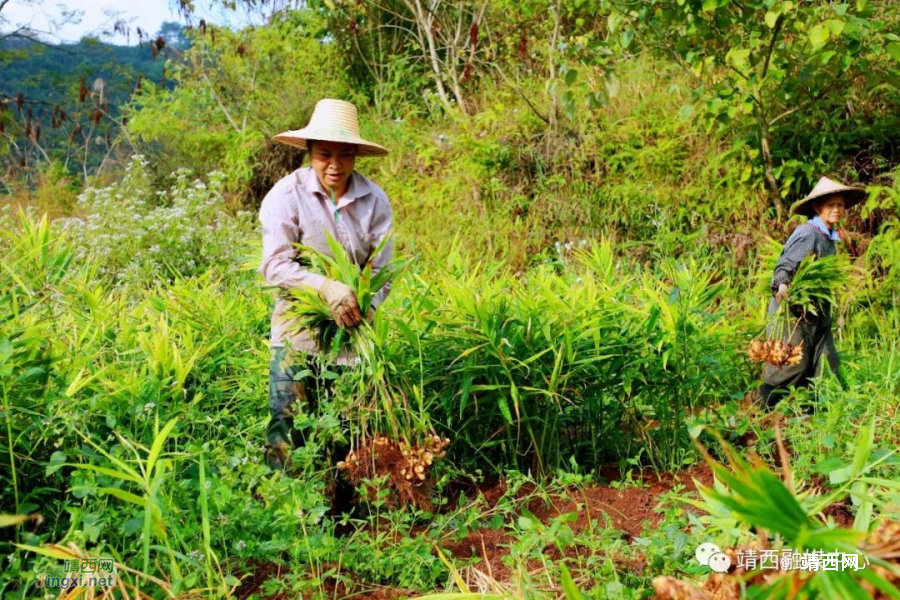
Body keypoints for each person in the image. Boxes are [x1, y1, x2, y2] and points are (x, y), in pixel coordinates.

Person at [258, 98, 393, 473]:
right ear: (309, 152)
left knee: (343, 433)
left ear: (356, 155)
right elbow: (274, 265)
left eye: (345, 154)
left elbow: (382, 270)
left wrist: (368, 302)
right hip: (296, 334)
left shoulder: (374, 201)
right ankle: (283, 511)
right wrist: (326, 288)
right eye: (324, 154)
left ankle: (338, 516)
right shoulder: (287, 195)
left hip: (350, 340)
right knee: (287, 425)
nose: (334, 165)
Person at [758, 176, 866, 408]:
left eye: (840, 205)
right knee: (790, 365)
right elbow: (786, 263)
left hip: (817, 313)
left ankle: (817, 417)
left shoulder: (829, 236)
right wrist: (782, 283)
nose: (837, 209)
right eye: (830, 205)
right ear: (818, 207)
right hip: (793, 312)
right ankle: (760, 410)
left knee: (827, 362)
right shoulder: (809, 233)